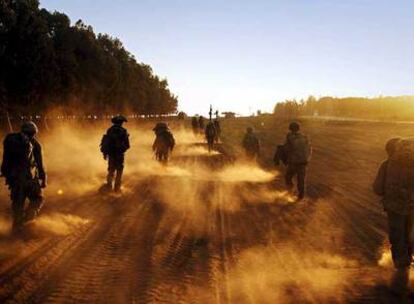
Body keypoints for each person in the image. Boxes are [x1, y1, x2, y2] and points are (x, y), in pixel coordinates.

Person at [373, 138, 414, 292]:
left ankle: (402, 270)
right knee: (411, 235)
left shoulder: (387, 164)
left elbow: (377, 188)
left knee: (398, 236)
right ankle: (410, 262)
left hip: (395, 208)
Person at [1, 121, 47, 234]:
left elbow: (5, 160)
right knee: (37, 199)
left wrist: (5, 173)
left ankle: (17, 229)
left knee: (18, 205)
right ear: (33, 133)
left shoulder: (10, 141)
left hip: (15, 180)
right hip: (30, 179)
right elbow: (40, 165)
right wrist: (43, 179)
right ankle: (28, 222)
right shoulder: (35, 144)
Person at [100, 115, 130, 193]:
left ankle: (109, 186)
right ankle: (117, 188)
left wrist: (105, 153)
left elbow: (106, 142)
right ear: (121, 123)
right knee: (119, 170)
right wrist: (122, 148)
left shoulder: (109, 130)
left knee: (111, 170)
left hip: (111, 154)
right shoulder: (123, 131)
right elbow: (127, 145)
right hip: (119, 154)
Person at [284, 122, 311, 201]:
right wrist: (307, 159)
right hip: (303, 162)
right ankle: (301, 195)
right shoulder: (304, 137)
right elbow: (309, 148)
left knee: (288, 177)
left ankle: (290, 192)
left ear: (290, 129)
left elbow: (286, 149)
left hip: (294, 162)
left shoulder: (289, 137)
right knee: (301, 180)